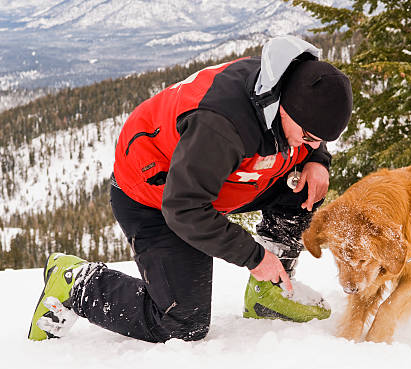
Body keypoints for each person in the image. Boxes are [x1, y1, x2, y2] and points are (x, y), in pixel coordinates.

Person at [28, 35, 353, 343]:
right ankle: (77, 283)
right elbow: (185, 208)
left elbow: (310, 140)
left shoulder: (289, 89)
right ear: (284, 107)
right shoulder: (220, 126)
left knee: (305, 186)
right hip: (155, 198)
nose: (312, 144)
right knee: (184, 323)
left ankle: (268, 292)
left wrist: (318, 160)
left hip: (216, 185)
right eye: (309, 137)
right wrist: (254, 257)